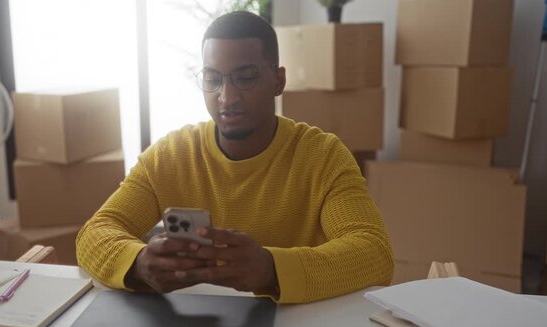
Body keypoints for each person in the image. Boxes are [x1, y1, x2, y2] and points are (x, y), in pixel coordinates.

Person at [76, 11, 393, 304]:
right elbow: (95, 233)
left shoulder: (323, 156)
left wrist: (271, 269)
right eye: (213, 79)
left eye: (245, 77)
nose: (226, 98)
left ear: (278, 81)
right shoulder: (169, 156)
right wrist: (138, 263)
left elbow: (374, 253)